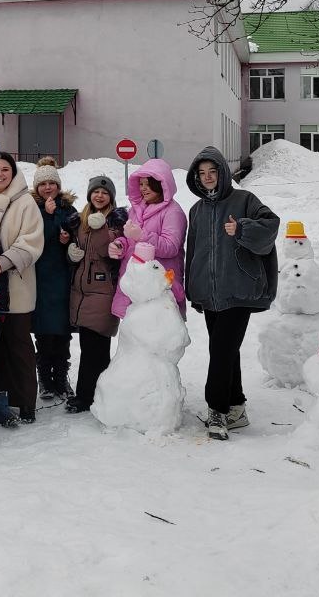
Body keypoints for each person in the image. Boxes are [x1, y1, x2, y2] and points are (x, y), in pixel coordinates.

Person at [184, 146, 280, 440]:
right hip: (211, 294)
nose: (208, 177)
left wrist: (242, 229)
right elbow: (195, 252)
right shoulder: (197, 210)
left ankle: (217, 410)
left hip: (239, 291)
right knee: (227, 350)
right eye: (202, 173)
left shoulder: (244, 200)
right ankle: (236, 406)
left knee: (221, 350)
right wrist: (194, 288)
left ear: (223, 173)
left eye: (213, 172)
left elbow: (270, 227)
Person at [0, 152, 45, 424]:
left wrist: (5, 261)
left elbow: (33, 241)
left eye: (5, 169)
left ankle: (26, 400)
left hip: (17, 285)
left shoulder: (25, 202)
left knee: (19, 345)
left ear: (13, 173)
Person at [65, 176, 125, 414]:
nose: (99, 196)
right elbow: (75, 251)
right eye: (96, 192)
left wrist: (104, 231)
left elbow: (112, 253)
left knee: (95, 348)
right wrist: (70, 253)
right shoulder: (79, 220)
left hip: (103, 291)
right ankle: (96, 395)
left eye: (105, 192)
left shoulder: (116, 222)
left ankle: (86, 397)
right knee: (91, 347)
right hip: (81, 292)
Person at [112, 159, 187, 320]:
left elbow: (170, 247)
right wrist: (120, 245)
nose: (143, 188)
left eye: (148, 183)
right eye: (140, 184)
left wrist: (141, 236)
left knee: (156, 339)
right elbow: (130, 239)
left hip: (158, 290)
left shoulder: (173, 212)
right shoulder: (136, 209)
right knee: (135, 340)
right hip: (135, 287)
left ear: (161, 184)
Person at [30, 158, 79, 401]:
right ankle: (45, 381)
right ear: (36, 187)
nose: (48, 187)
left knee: (62, 333)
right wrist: (49, 219)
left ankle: (61, 378)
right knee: (43, 333)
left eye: (52, 183)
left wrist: (67, 240)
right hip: (39, 278)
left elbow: (76, 240)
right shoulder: (30, 209)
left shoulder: (69, 210)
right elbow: (34, 240)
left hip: (62, 278)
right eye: (43, 183)